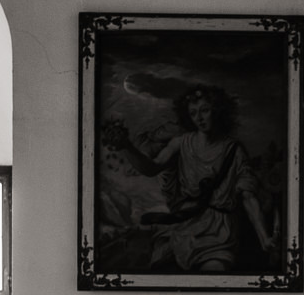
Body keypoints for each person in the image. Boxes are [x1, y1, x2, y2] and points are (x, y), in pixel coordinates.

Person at [100, 84, 275, 273]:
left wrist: (264, 237)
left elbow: (248, 197)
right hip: (184, 225)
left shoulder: (233, 150)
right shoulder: (181, 143)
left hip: (219, 232)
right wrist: (127, 146)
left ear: (217, 111)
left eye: (205, 111)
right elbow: (152, 168)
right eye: (193, 113)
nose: (199, 118)